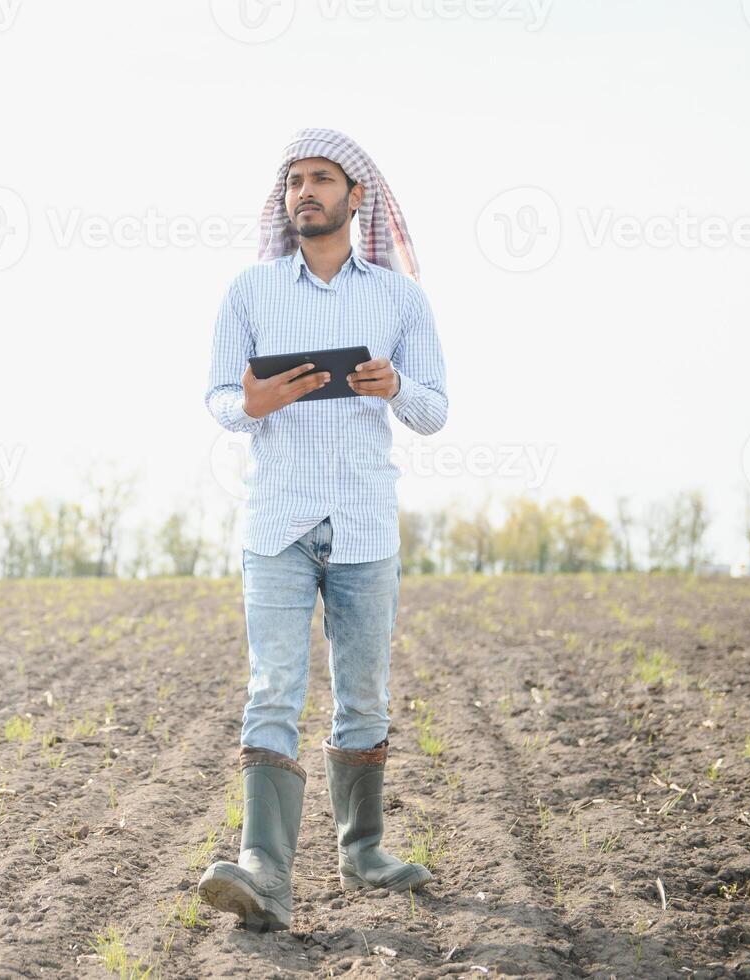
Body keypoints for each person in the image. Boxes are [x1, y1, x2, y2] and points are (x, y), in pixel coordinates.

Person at [198, 127, 449, 932]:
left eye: (319, 179)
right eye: (292, 182)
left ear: (355, 198)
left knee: (363, 696)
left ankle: (362, 852)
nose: (302, 192)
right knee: (271, 688)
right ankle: (265, 869)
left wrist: (394, 384)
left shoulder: (399, 299)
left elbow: (435, 410)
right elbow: (216, 397)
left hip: (365, 525)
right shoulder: (247, 291)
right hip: (275, 522)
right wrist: (252, 406)